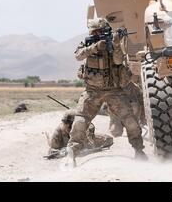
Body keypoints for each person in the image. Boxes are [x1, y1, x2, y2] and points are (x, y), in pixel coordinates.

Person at [65, 18, 146, 167]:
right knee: (80, 122)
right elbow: (78, 55)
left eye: (99, 31)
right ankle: (71, 154)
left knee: (130, 121)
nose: (97, 33)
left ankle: (139, 150)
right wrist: (95, 47)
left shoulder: (112, 42)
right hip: (93, 91)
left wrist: (115, 44)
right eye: (94, 31)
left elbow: (117, 61)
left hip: (114, 90)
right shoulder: (87, 43)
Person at [45, 110, 113, 160]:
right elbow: (52, 150)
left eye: (69, 125)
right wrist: (62, 152)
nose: (66, 127)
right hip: (64, 143)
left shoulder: (81, 127)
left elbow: (90, 142)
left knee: (108, 139)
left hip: (83, 137)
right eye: (65, 123)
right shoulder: (58, 133)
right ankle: (48, 134)